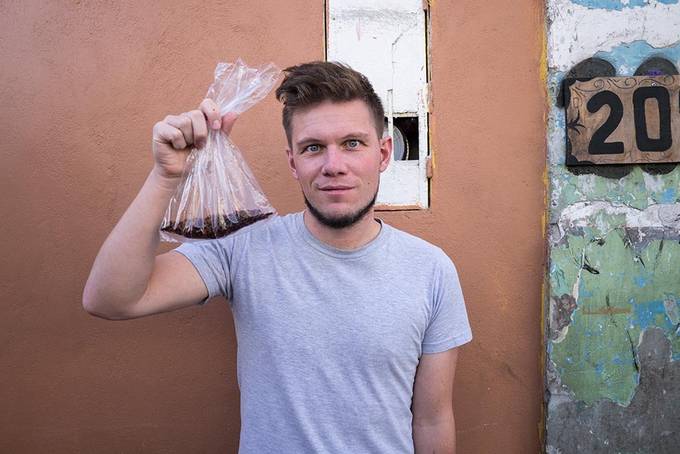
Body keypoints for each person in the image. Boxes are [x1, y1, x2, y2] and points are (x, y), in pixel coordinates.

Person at [83, 61, 472, 454]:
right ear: (293, 162)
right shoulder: (243, 247)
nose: (333, 166)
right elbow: (111, 299)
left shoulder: (431, 270)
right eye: (313, 148)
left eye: (352, 143)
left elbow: (432, 419)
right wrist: (165, 176)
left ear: (384, 153)